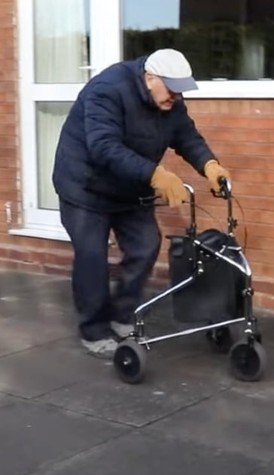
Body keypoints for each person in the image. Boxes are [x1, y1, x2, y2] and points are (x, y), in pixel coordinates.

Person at [52, 48, 231, 359]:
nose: (175, 97)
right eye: (171, 89)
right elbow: (103, 146)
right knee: (92, 256)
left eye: (180, 91)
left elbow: (186, 136)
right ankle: (94, 331)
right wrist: (156, 175)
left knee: (146, 245)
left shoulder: (170, 101)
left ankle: (123, 315)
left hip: (130, 188)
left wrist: (209, 165)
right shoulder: (107, 90)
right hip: (85, 187)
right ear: (150, 78)